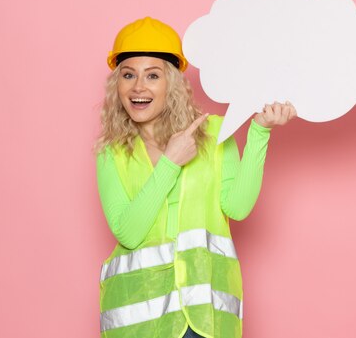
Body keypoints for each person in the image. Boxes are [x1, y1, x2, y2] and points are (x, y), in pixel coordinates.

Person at [94, 17, 296, 338]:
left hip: (204, 317)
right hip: (137, 321)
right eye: (128, 75)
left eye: (153, 76)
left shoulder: (214, 131)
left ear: (171, 83)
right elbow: (129, 234)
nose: (138, 87)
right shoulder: (112, 153)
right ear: (117, 84)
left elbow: (237, 207)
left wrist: (260, 131)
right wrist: (171, 161)